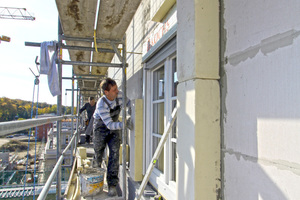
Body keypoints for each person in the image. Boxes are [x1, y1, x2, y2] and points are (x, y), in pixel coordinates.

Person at [93, 78, 131, 197]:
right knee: (98, 153)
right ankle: (96, 181)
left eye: (116, 88)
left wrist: (132, 115)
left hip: (114, 126)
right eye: (114, 90)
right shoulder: (101, 104)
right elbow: (109, 125)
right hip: (101, 127)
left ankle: (112, 185)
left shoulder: (120, 96)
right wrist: (124, 124)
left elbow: (130, 104)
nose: (117, 91)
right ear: (106, 92)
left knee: (115, 153)